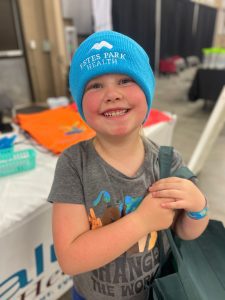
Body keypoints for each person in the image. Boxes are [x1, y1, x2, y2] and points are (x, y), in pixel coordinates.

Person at [48, 31, 209, 300]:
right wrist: (141, 221)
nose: (112, 94)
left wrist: (198, 207)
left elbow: (184, 232)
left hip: (156, 293)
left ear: (147, 92)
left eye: (125, 80)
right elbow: (70, 260)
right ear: (79, 103)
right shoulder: (74, 164)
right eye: (95, 85)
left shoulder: (167, 162)